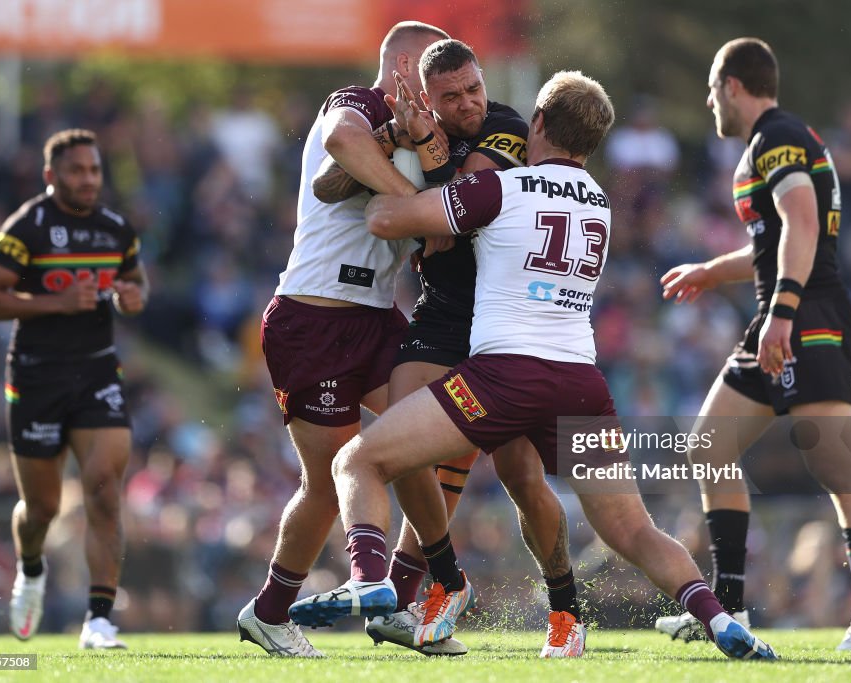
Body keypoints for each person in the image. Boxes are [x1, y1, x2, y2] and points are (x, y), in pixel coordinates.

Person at [289, 70, 777, 662]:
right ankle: (720, 619)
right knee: (632, 528)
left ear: (537, 123)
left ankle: (372, 578)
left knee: (358, 460)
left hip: (503, 377)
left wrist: (407, 153)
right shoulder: (599, 202)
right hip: (581, 382)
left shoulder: (506, 188)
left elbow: (386, 220)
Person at [313, 38, 584, 658]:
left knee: (521, 474)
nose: (468, 104)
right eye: (451, 97)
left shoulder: (507, 125)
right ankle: (447, 578)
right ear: (427, 98)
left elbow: (461, 203)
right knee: (394, 445)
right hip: (441, 312)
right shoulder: (407, 122)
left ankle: (565, 608)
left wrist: (420, 151)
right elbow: (333, 188)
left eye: (473, 89)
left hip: (501, 316)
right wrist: (384, 137)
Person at [656, 37, 851, 651]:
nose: (710, 104)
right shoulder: (771, 141)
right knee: (709, 445)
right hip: (778, 313)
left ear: (733, 85)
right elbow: (773, 242)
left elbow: (804, 224)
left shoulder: (777, 136)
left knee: (835, 462)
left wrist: (783, 311)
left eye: (712, 91)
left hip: (805, 314)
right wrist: (712, 271)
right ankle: (729, 609)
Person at [233, 21, 456, 658]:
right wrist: (418, 202)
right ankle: (269, 611)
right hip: (313, 319)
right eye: (434, 72)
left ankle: (408, 595)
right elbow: (340, 147)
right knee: (330, 483)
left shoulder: (428, 133)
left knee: (417, 445)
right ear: (407, 68)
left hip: (378, 319)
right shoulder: (357, 102)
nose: (444, 88)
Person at [0, 128, 149, 649]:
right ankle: (30, 568)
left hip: (96, 373)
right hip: (35, 377)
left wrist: (133, 298)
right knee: (42, 509)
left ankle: (98, 620)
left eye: (94, 170)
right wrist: (56, 302)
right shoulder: (28, 227)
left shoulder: (116, 229)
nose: (89, 180)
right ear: (52, 176)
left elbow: (135, 282)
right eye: (77, 171)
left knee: (102, 488)